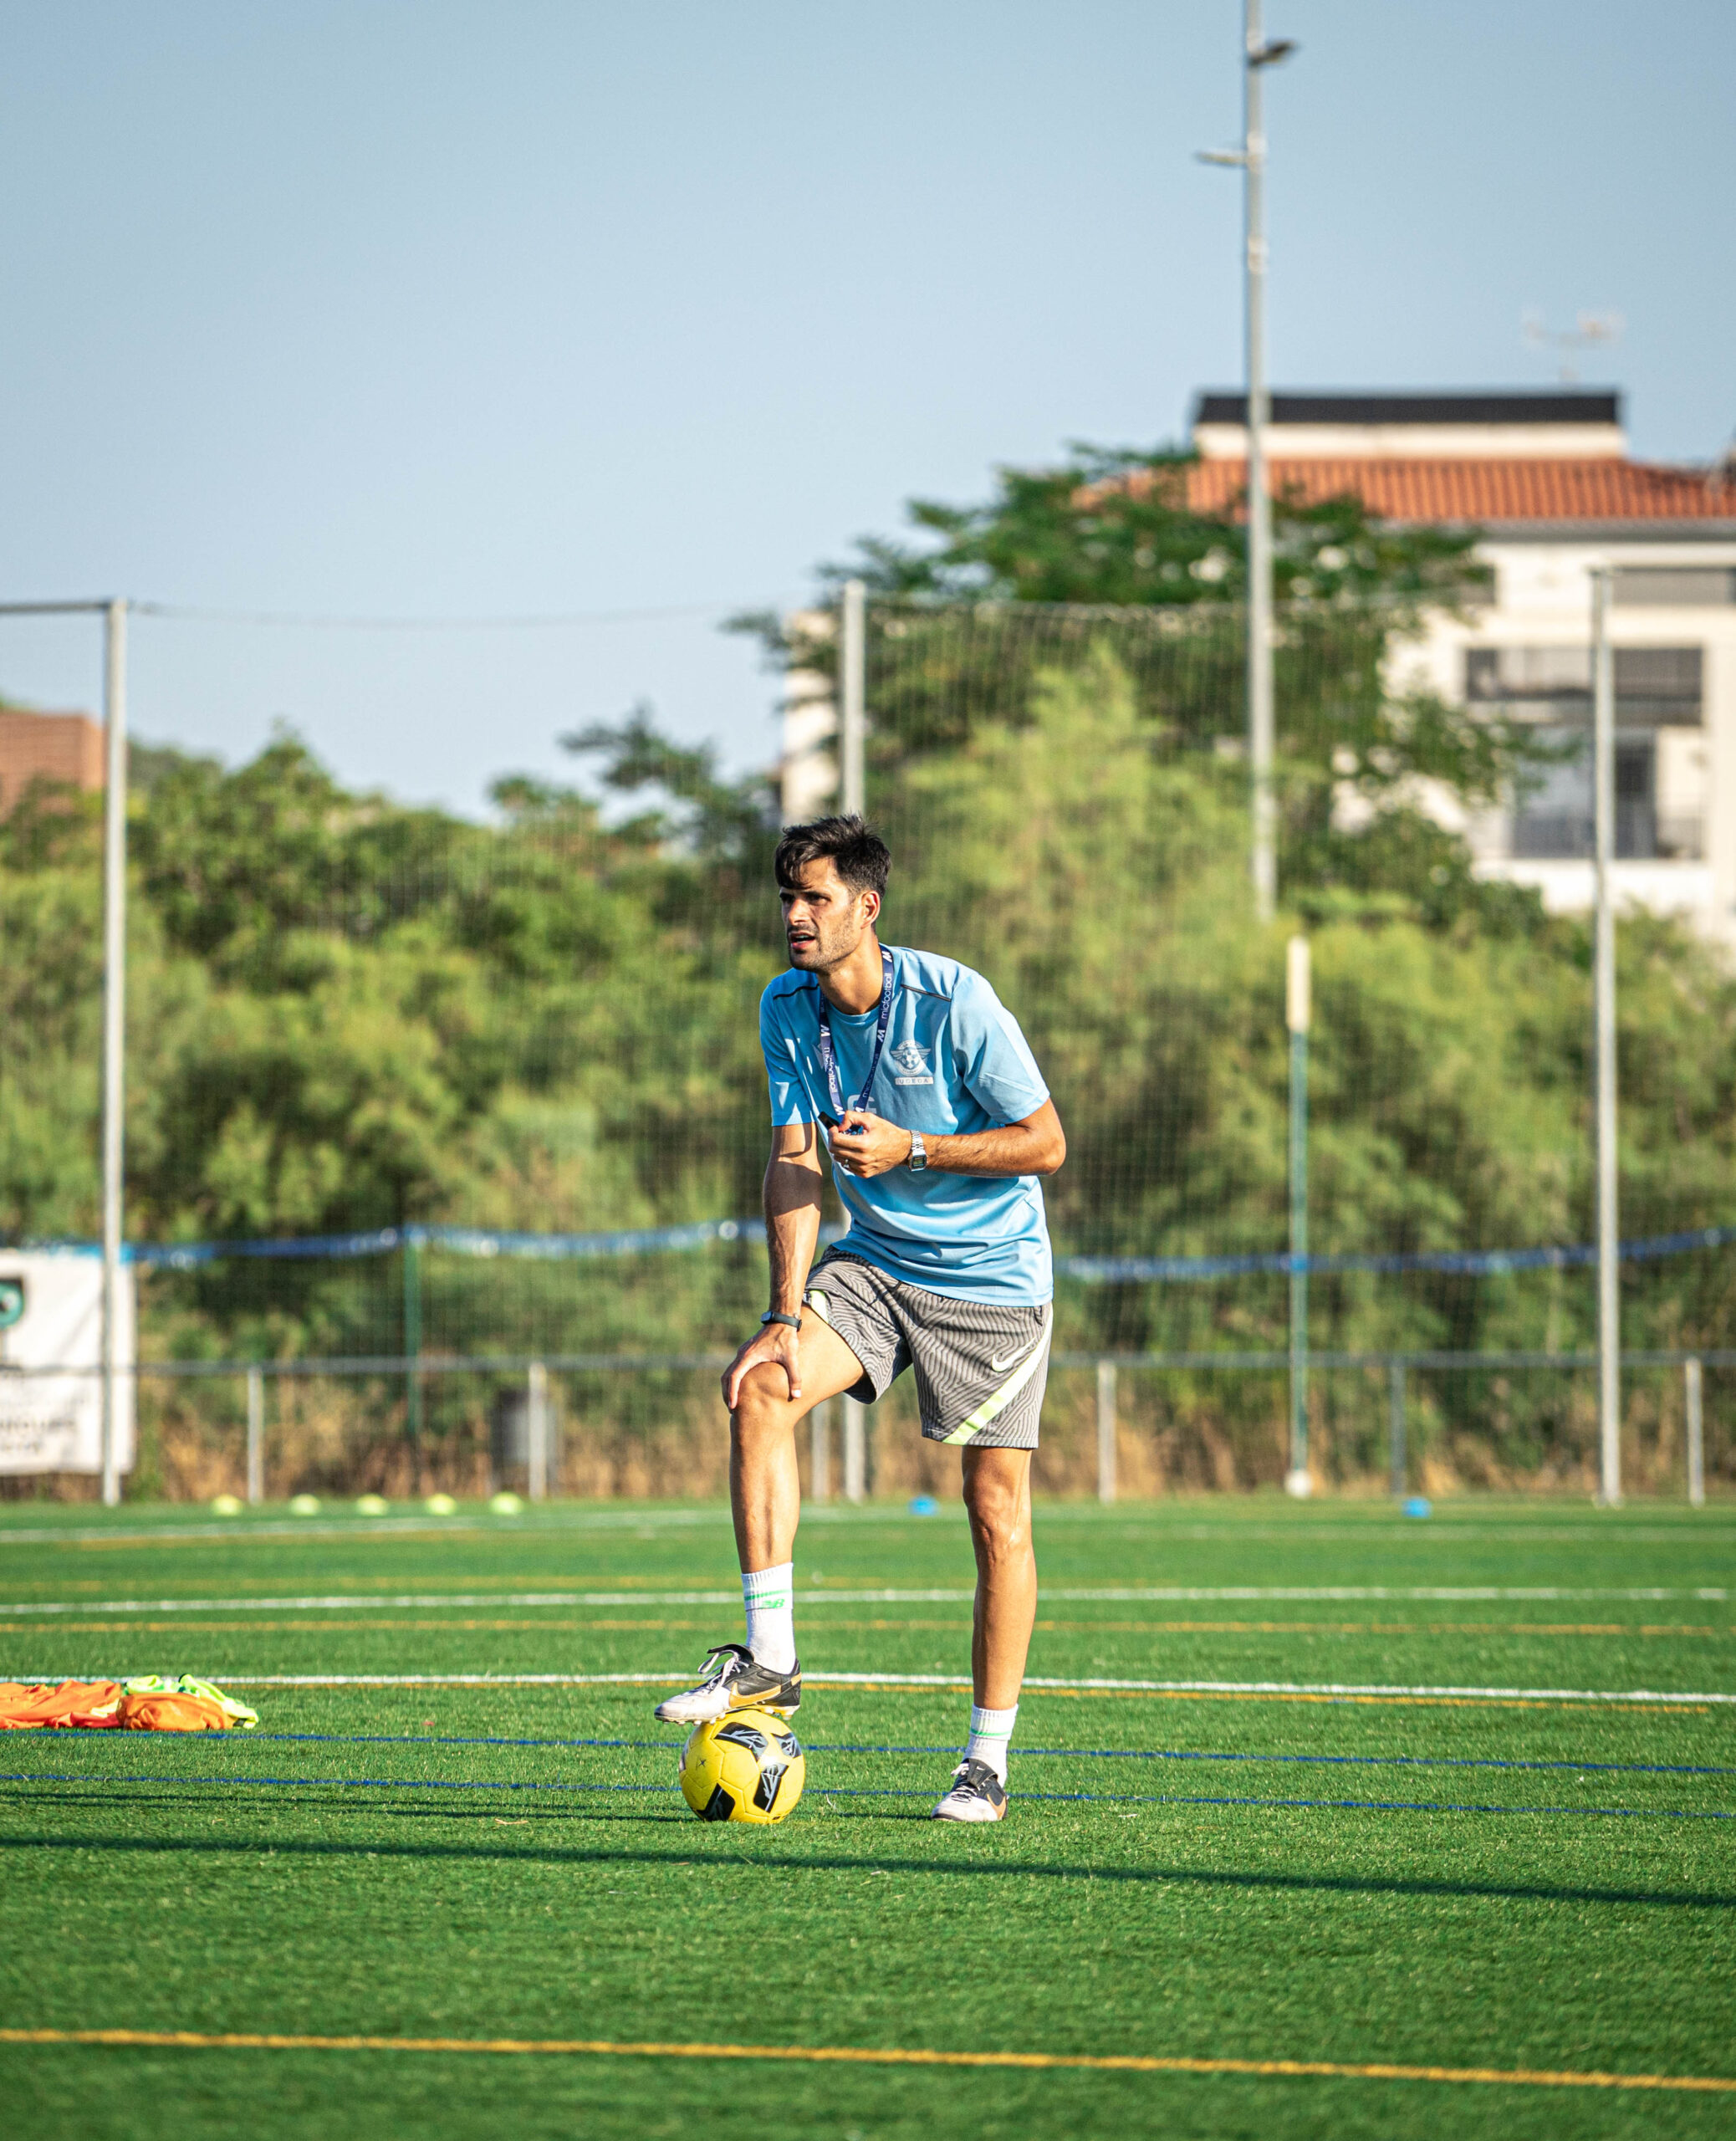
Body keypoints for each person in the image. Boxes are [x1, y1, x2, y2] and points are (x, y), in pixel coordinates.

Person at [655, 814, 1065, 1822]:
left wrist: (916, 1148)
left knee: (994, 1514)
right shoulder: (785, 1007)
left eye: (817, 899)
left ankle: (986, 1759)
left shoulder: (955, 999)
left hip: (991, 1282)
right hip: (874, 1263)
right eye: (788, 899)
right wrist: (783, 1313)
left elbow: (1047, 1141)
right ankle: (773, 1663)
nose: (797, 917)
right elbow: (795, 1157)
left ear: (866, 907)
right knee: (760, 1386)